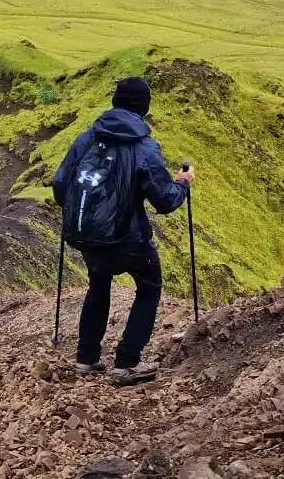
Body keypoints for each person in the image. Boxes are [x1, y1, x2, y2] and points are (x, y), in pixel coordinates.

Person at [51, 75, 194, 384]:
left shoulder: (87, 138)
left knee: (98, 285)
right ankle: (127, 363)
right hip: (128, 239)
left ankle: (86, 359)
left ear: (115, 102)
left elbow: (61, 184)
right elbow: (165, 200)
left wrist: (83, 214)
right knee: (149, 286)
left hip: (87, 235)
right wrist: (182, 184)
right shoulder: (143, 147)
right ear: (144, 107)